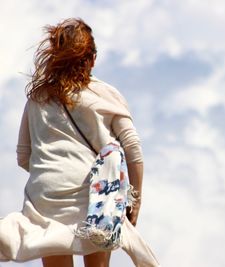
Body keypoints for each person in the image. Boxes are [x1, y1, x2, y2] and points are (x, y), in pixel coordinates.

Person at [0, 18, 159, 267]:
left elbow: (23, 156)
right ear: (92, 58)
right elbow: (133, 150)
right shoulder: (106, 95)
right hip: (94, 196)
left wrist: (54, 171)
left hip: (46, 196)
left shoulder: (37, 99)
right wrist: (134, 201)